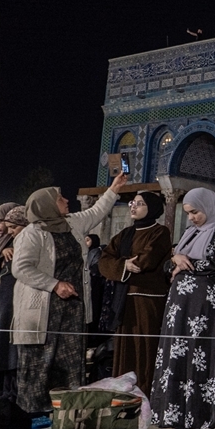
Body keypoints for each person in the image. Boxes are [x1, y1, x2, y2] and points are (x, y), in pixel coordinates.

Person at [11, 175, 126, 413]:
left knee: (70, 363)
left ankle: (66, 414)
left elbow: (96, 212)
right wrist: (54, 285)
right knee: (39, 365)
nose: (65, 200)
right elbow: (21, 268)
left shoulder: (72, 224)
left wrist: (113, 190)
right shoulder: (32, 233)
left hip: (72, 308)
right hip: (43, 311)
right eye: (60, 197)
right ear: (47, 205)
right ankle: (33, 420)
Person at [150, 188, 215, 429]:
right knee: (175, 354)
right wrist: (175, 261)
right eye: (188, 213)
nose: (192, 217)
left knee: (198, 355)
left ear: (207, 207)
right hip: (179, 304)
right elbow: (170, 264)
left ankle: (196, 415)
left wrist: (189, 265)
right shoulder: (189, 233)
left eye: (195, 212)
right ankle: (172, 412)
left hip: (203, 303)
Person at [97, 191, 172, 396]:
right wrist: (124, 264)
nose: (133, 207)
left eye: (139, 204)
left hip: (148, 301)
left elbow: (146, 261)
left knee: (145, 347)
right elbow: (104, 261)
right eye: (133, 202)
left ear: (153, 209)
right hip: (124, 300)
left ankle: (146, 393)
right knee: (126, 348)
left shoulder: (160, 232)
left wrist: (126, 264)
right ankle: (124, 392)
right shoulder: (125, 234)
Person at [0, 205, 27, 399]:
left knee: (12, 353)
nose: (5, 229)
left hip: (13, 306)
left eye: (10, 226)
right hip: (5, 304)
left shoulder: (23, 243)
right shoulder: (5, 244)